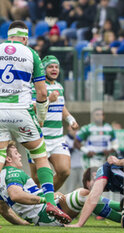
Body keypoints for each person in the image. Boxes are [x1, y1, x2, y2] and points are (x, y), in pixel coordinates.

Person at [0, 20, 71, 223]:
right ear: (25, 38)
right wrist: (39, 118)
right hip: (21, 112)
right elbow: (41, 93)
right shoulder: (31, 54)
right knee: (40, 155)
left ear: (9, 36)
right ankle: (49, 201)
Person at [0, 142, 122, 226]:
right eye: (16, 153)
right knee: (84, 194)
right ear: (8, 159)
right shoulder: (12, 172)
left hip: (42, 217)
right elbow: (16, 195)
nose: (20, 155)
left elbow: (4, 210)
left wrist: (23, 223)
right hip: (47, 214)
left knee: (87, 197)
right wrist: (46, 200)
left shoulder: (2, 176)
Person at [29, 55, 79, 190]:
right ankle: (38, 204)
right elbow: (30, 107)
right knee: (37, 179)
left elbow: (61, 106)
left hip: (57, 139)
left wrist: (70, 119)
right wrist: (48, 100)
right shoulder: (35, 86)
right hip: (39, 138)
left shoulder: (59, 86)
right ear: (44, 69)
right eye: (50, 67)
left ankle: (47, 198)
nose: (54, 69)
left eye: (56, 67)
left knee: (64, 171)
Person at [64, 126, 84, 192]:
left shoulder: (81, 139)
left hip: (82, 167)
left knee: (84, 188)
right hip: (71, 167)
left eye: (76, 130)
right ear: (69, 129)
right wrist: (75, 145)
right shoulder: (65, 139)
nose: (75, 131)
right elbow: (66, 152)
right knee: (70, 189)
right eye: (73, 129)